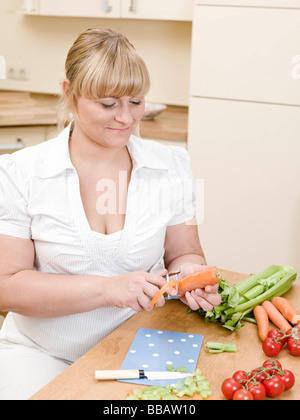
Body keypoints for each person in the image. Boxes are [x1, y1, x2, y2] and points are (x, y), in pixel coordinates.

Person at [0, 28, 221, 400]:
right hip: (42, 352)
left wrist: (191, 276)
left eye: (136, 102)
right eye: (107, 104)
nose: (125, 118)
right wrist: (109, 289)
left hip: (145, 343)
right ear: (69, 91)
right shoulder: (19, 173)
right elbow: (6, 286)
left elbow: (184, 253)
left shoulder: (171, 165)